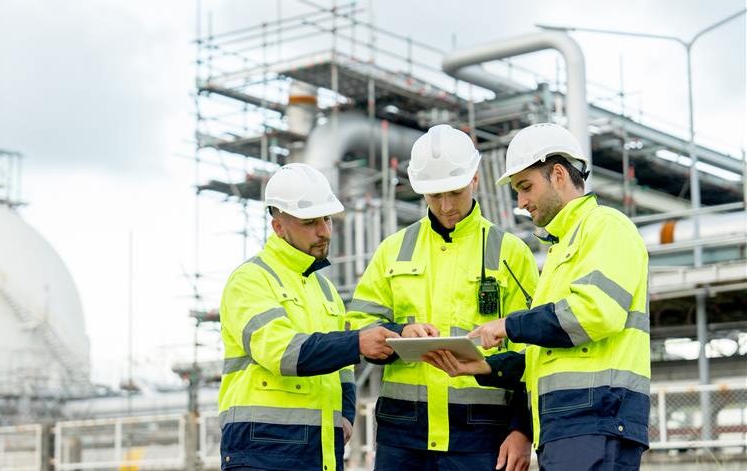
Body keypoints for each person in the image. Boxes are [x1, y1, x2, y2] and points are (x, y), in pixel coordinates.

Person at [423, 123, 651, 470]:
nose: (521, 202)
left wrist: (508, 325)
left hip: (596, 418)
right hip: (570, 424)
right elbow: (544, 355)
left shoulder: (606, 226)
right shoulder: (561, 249)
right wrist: (487, 366)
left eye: (526, 187)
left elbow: (595, 313)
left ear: (558, 174)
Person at [347, 125, 539, 471]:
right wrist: (399, 334)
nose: (446, 206)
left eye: (454, 192)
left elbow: (537, 353)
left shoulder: (512, 254)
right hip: (402, 438)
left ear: (475, 179)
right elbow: (359, 326)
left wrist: (522, 429)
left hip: (481, 438)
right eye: (434, 196)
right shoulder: (393, 251)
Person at [218, 163, 400, 471]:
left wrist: (345, 415)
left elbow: (343, 370)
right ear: (279, 226)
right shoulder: (250, 280)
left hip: (320, 450)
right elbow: (283, 352)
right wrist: (357, 342)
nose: (324, 231)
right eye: (310, 221)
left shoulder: (325, 290)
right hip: (261, 449)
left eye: (327, 218)